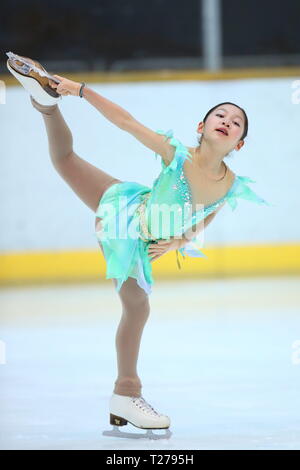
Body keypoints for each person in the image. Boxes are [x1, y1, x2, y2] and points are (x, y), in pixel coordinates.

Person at [6, 54, 270, 439]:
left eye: (236, 122)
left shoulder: (230, 182)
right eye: (221, 115)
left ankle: (44, 106)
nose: (227, 121)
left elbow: (207, 213)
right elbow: (126, 122)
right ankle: (126, 393)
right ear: (202, 126)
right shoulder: (175, 154)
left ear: (239, 144)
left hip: (136, 211)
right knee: (137, 305)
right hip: (124, 221)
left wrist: (180, 240)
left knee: (65, 161)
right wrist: (80, 91)